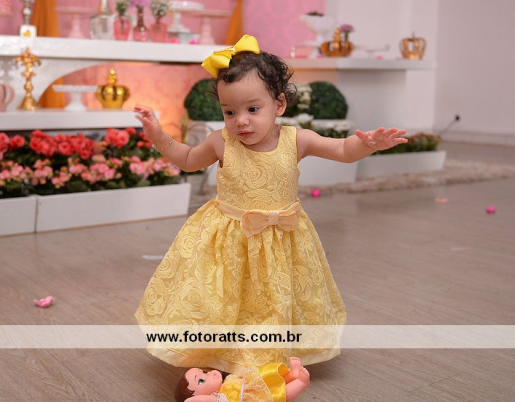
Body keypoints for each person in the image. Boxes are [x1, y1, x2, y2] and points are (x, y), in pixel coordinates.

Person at [134, 34, 407, 374]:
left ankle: (266, 354)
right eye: (229, 111)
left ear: (278, 105)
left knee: (273, 299)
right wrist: (159, 136)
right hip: (228, 239)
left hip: (282, 240)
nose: (240, 120)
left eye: (252, 109)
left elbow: (341, 150)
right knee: (225, 296)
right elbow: (188, 159)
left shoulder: (297, 140)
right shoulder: (221, 142)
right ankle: (219, 353)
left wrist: (367, 144)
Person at [175, 357, 310, 402]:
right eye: (201, 381)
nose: (208, 374)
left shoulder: (226, 381)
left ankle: (292, 375)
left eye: (204, 372)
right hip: (256, 400)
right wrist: (191, 401)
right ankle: (301, 382)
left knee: (273, 380)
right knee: (281, 395)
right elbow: (206, 401)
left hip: (254, 385)